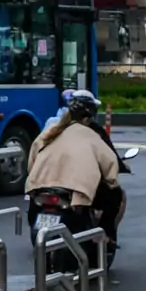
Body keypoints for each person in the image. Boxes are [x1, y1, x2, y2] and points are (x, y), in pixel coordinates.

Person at [26, 88, 126, 253]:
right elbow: (110, 165)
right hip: (75, 191)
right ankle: (104, 236)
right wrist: (111, 182)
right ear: (88, 117)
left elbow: (32, 157)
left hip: (40, 186)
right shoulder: (92, 135)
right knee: (115, 196)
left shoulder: (51, 130)